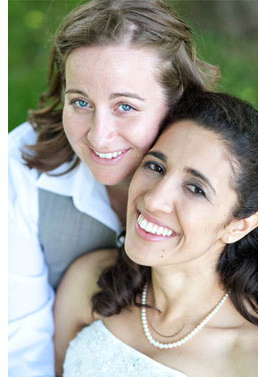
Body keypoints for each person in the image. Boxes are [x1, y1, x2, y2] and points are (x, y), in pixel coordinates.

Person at [7, 1, 219, 374]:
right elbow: (22, 347)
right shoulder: (20, 165)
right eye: (81, 102)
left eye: (125, 107)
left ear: (178, 102)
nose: (98, 136)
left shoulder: (225, 171)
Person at [54, 91, 258, 376]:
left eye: (195, 189)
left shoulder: (248, 354)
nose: (153, 200)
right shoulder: (90, 279)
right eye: (156, 166)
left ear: (239, 225)